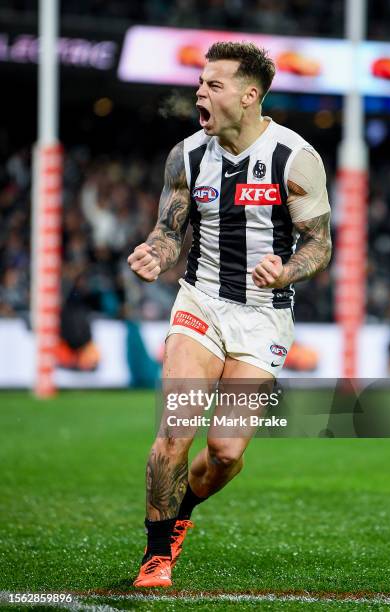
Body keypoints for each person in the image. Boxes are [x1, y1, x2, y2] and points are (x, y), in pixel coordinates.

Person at [128, 41, 332, 588]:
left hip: (265, 317)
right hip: (201, 303)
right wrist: (156, 253)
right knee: (175, 431)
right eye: (200, 83)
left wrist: (287, 271)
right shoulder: (187, 156)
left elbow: (319, 244)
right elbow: (170, 233)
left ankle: (183, 514)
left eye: (213, 85)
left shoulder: (296, 158)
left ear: (249, 96)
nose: (200, 91)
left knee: (224, 452)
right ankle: (155, 555)